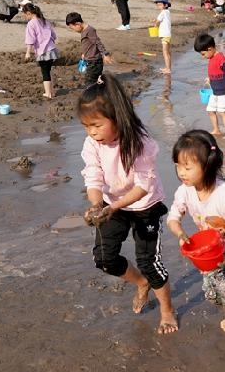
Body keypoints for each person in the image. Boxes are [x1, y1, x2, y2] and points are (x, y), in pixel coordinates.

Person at [76, 73, 178, 335]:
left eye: (96, 125)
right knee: (104, 259)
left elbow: (143, 186)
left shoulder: (141, 142)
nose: (92, 132)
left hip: (145, 207)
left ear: (117, 117)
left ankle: (167, 311)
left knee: (149, 261)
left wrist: (114, 207)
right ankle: (140, 283)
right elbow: (93, 174)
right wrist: (98, 205)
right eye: (87, 126)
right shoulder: (92, 143)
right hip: (112, 205)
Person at [167, 130, 225, 344]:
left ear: (207, 165)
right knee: (211, 293)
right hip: (210, 250)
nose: (181, 173)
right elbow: (173, 217)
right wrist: (180, 233)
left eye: (187, 168)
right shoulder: (185, 191)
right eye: (178, 166)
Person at [194, 34, 225, 138]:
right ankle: (216, 130)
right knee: (210, 110)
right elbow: (215, 71)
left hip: (223, 91)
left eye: (203, 54)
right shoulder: (211, 58)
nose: (203, 57)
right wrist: (209, 79)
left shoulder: (220, 58)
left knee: (222, 112)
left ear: (210, 49)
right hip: (214, 91)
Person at [66, 12, 114, 86]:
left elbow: (98, 43)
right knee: (95, 79)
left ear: (78, 24)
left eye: (73, 28)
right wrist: (84, 54)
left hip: (94, 62)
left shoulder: (90, 31)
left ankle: (94, 94)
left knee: (90, 81)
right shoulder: (84, 31)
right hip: (91, 60)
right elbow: (88, 44)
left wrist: (105, 54)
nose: (74, 30)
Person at [22, 3, 59, 99]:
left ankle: (48, 93)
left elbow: (30, 39)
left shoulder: (31, 24)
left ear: (29, 13)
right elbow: (53, 35)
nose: (24, 16)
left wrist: (28, 53)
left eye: (25, 14)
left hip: (43, 51)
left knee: (45, 72)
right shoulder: (44, 20)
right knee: (49, 70)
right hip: (52, 49)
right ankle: (52, 92)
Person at [152, 0, 172, 74]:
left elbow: (157, 21)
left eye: (160, 4)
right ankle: (167, 67)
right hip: (168, 34)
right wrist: (156, 21)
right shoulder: (167, 12)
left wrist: (155, 24)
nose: (158, 6)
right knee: (168, 52)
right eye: (158, 5)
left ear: (165, 5)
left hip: (164, 35)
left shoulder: (163, 12)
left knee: (165, 52)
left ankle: (168, 69)